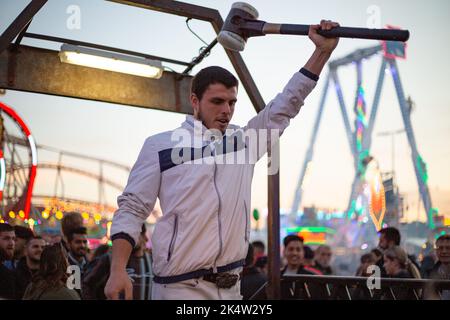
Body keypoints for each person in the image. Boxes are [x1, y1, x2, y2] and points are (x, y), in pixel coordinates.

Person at [105, 20, 341, 300]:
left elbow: (287, 104)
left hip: (232, 289)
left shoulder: (244, 141)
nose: (227, 111)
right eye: (217, 102)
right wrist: (117, 270)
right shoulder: (160, 146)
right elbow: (132, 208)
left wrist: (322, 53)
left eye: (231, 102)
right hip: (179, 289)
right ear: (195, 101)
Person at [82, 224, 153, 300]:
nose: (129, 239)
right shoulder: (110, 259)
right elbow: (86, 284)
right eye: (125, 236)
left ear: (143, 236)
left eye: (133, 234)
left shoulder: (153, 261)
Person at [280, 235, 325, 299]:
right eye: (291, 249)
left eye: (298, 250)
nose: (294, 253)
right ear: (284, 251)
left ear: (303, 253)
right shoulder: (276, 276)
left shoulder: (313, 277)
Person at [423, 234, 450, 300]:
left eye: (448, 248)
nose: (444, 251)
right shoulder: (430, 273)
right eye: (440, 248)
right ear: (436, 251)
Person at [0, 223, 16, 299]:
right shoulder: (5, 275)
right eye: (6, 238)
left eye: (13, 239)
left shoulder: (7, 273)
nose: (11, 243)